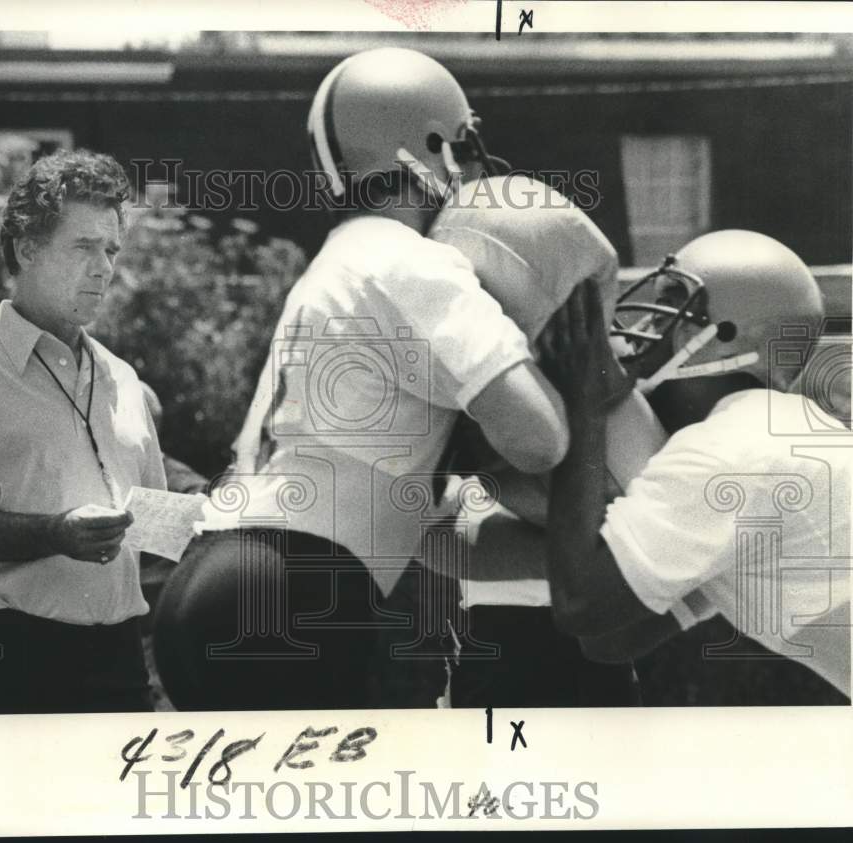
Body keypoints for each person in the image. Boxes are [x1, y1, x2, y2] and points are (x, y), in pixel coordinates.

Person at [153, 48, 570, 710]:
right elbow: (540, 439)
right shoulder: (413, 261)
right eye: (461, 146)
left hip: (216, 578)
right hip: (296, 589)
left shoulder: (343, 258)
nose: (469, 168)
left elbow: (432, 529)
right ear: (427, 147)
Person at [0, 149, 167, 714]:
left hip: (120, 664)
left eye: (110, 249)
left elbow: (153, 535)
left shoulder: (123, 376)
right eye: (83, 247)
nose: (104, 267)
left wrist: (223, 523)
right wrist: (56, 533)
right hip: (8, 660)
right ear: (27, 248)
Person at [538, 230, 850, 699]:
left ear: (724, 335)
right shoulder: (776, 430)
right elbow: (613, 640)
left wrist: (585, 411)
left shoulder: (731, 448)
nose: (645, 325)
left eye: (674, 304)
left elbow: (582, 605)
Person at [426, 173, 659, 706]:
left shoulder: (614, 411)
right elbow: (430, 538)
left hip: (559, 651)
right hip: (508, 647)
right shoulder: (484, 404)